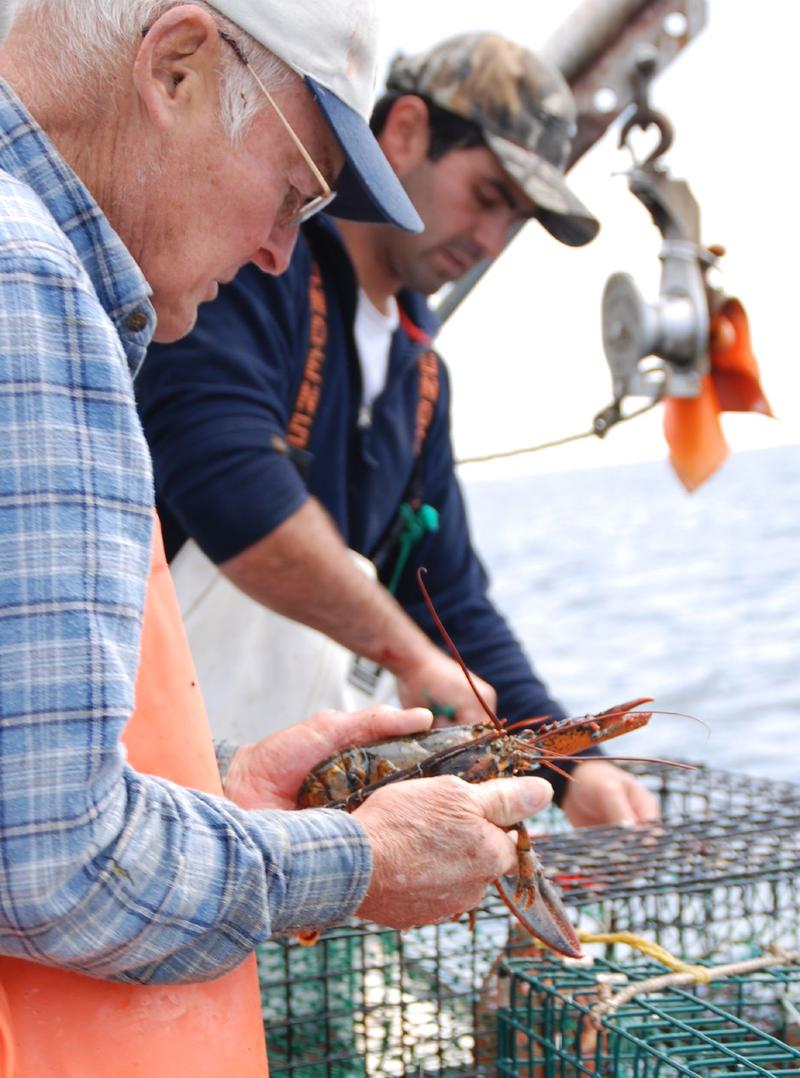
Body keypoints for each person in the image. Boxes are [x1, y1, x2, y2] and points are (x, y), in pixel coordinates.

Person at [0, 5, 556, 1073]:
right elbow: (53, 862)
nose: (271, 251)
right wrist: (356, 859)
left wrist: (219, 782)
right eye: (297, 194)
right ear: (176, 70)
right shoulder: (31, 284)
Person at [137, 31, 660, 829]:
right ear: (406, 130)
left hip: (288, 813)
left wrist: (572, 763)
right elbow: (223, 475)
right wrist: (412, 658)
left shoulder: (422, 376)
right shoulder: (254, 267)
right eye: (487, 197)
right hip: (149, 769)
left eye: (512, 220)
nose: (489, 241)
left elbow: (449, 598)